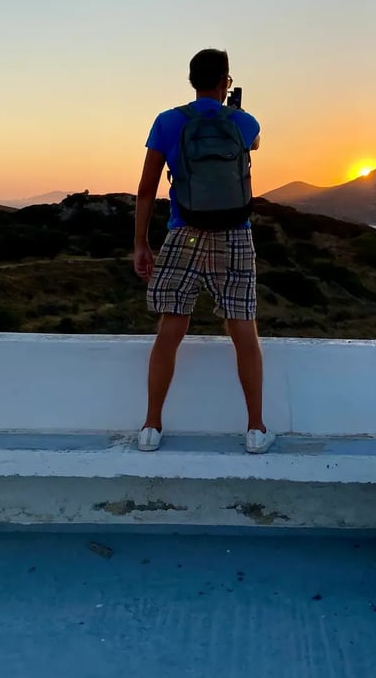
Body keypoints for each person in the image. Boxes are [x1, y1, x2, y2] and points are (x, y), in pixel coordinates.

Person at [133, 49, 275, 454]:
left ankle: (151, 427)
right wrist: (234, 110)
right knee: (243, 331)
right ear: (225, 80)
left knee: (170, 332)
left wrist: (141, 242)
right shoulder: (244, 122)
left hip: (184, 234)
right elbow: (257, 142)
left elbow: (146, 189)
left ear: (192, 80)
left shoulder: (168, 121)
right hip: (235, 235)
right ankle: (255, 429)